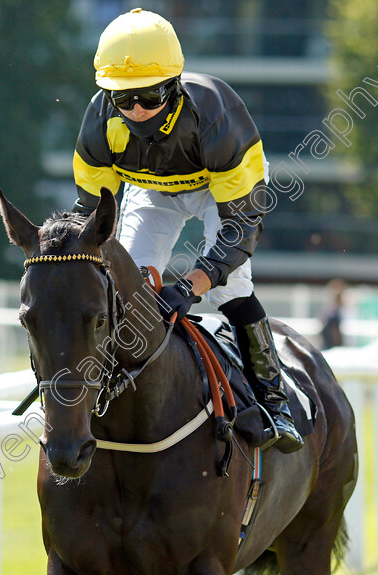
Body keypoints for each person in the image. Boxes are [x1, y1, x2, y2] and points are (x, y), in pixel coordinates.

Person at [71, 8, 302, 453]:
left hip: (223, 193)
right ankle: (106, 396)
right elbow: (91, 216)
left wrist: (190, 287)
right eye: (124, 99)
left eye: (151, 95)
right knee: (126, 288)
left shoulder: (218, 117)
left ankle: (275, 402)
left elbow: (240, 229)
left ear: (174, 86)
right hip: (152, 189)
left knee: (227, 288)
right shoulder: (100, 121)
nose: (137, 111)